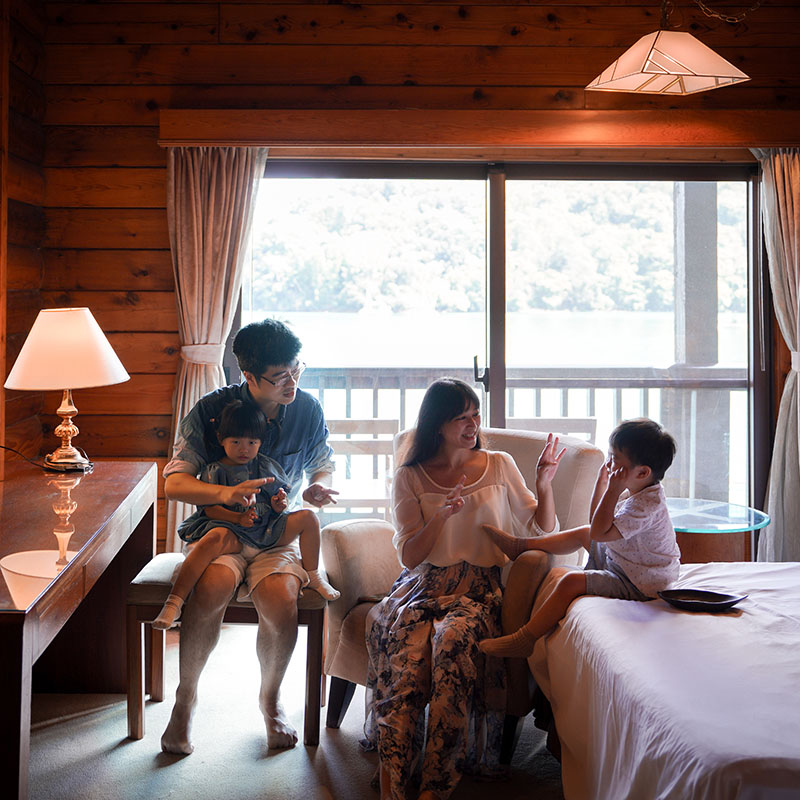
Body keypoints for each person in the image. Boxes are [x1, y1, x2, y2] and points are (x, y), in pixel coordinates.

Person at [363, 377, 565, 800]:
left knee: (452, 647)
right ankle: (393, 785)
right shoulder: (410, 476)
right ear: (438, 424)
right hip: (421, 587)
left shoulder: (499, 464)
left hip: (477, 591)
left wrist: (544, 484)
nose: (473, 425)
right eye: (462, 418)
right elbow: (410, 556)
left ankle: (436, 786)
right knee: (408, 667)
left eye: (475, 415)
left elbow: (541, 528)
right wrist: (441, 516)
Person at [160, 319, 338, 755]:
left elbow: (323, 462)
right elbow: (175, 485)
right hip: (222, 528)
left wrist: (317, 484)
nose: (292, 382)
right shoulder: (211, 410)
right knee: (213, 584)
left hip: (276, 533)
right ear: (249, 377)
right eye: (280, 377)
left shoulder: (307, 409)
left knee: (280, 598)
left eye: (297, 369)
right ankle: (185, 700)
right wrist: (225, 491)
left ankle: (271, 699)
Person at [479, 417, 680, 658]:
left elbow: (600, 532)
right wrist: (602, 486)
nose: (609, 464)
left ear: (643, 472)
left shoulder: (646, 505)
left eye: (615, 460)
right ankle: (520, 546)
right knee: (583, 532)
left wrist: (613, 491)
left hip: (640, 583)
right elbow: (596, 524)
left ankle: (525, 640)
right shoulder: (637, 492)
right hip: (627, 562)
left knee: (570, 582)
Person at [153, 400, 339, 631]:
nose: (244, 449)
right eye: (236, 442)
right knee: (212, 538)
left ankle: (313, 575)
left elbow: (278, 502)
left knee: (309, 519)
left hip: (267, 531)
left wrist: (278, 504)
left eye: (252, 442)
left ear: (261, 442)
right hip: (232, 531)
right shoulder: (215, 470)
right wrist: (236, 519)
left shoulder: (267, 466)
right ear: (222, 439)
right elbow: (209, 509)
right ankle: (174, 602)